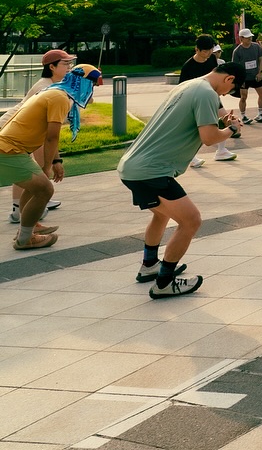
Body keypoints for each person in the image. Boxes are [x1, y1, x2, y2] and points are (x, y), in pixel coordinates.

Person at [118, 61, 246, 295]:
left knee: (161, 214)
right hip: (152, 170)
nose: (226, 95)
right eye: (230, 90)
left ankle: (149, 266)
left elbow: (215, 113)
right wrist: (232, 130)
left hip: (132, 166)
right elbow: (208, 137)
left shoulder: (190, 85)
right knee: (191, 221)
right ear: (229, 79)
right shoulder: (207, 93)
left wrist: (225, 120)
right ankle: (164, 283)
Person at [1, 64, 101, 249]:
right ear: (82, 82)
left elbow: (50, 134)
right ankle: (25, 239)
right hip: (9, 150)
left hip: (12, 149)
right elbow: (52, 136)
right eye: (92, 84)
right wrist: (47, 166)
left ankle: (27, 230)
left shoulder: (56, 92)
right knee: (45, 190)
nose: (92, 89)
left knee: (34, 189)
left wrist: (56, 161)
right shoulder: (59, 97)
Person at [4, 48, 71, 225]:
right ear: (52, 67)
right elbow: (48, 136)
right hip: (10, 132)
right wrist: (51, 164)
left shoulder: (53, 85)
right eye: (65, 64)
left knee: (26, 171)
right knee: (31, 171)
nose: (69, 67)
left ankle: (19, 210)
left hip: (15, 133)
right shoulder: (46, 88)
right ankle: (22, 212)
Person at [180, 36, 236, 164]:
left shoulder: (212, 59)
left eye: (210, 50)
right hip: (194, 101)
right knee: (195, 128)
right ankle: (191, 157)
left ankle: (221, 151)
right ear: (197, 49)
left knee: (225, 118)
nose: (208, 54)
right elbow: (182, 88)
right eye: (205, 51)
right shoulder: (188, 67)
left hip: (212, 96)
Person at [232, 29, 262, 124]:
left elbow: (261, 59)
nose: (250, 39)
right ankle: (243, 116)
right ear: (241, 38)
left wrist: (260, 72)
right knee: (243, 97)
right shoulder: (237, 51)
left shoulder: (256, 47)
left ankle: (260, 113)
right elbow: (235, 67)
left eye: (250, 37)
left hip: (256, 76)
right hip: (244, 77)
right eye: (247, 37)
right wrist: (240, 79)